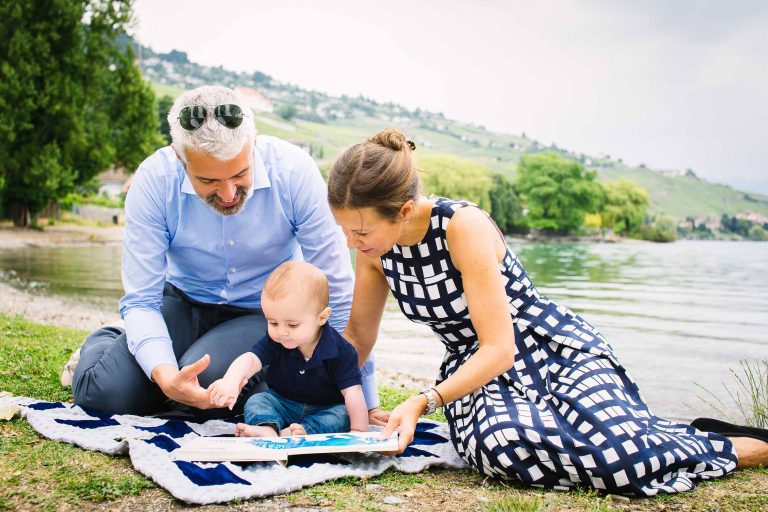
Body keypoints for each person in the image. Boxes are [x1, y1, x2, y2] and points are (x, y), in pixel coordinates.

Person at [327, 128, 768, 496]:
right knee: (502, 447)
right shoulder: (375, 250)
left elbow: (501, 347)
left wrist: (424, 401)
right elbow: (359, 338)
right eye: (344, 229)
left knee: (614, 450)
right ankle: (670, 437)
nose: (351, 243)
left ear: (403, 211)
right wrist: (310, 395)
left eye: (360, 230)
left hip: (548, 348)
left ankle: (733, 447)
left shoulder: (462, 226)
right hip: (472, 366)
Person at [70, 85, 384, 421]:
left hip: (262, 314)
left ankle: (194, 371)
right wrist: (164, 376)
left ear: (253, 145)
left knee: (210, 386)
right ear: (181, 159)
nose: (229, 193)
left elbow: (334, 289)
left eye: (239, 174)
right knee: (104, 394)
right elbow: (142, 300)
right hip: (180, 301)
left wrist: (365, 398)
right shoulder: (154, 181)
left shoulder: (294, 172)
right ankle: (119, 336)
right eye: (209, 181)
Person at [208, 261, 368, 437]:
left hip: (323, 408)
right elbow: (251, 359)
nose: (281, 332)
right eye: (273, 322)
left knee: (343, 415)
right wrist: (231, 380)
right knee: (257, 401)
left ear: (322, 317)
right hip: (282, 402)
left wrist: (358, 431)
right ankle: (267, 429)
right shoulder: (276, 341)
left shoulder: (341, 351)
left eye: (292, 325)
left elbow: (352, 392)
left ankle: (303, 431)